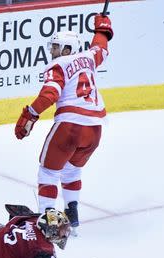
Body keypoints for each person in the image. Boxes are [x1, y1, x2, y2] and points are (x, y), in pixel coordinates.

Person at [14, 14, 114, 234]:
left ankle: (49, 225)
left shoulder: (58, 65)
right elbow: (101, 49)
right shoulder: (89, 58)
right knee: (71, 171)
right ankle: (72, 217)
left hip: (70, 127)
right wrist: (102, 29)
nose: (52, 51)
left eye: (57, 47)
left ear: (68, 49)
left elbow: (50, 94)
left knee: (48, 172)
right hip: (95, 130)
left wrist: (29, 115)